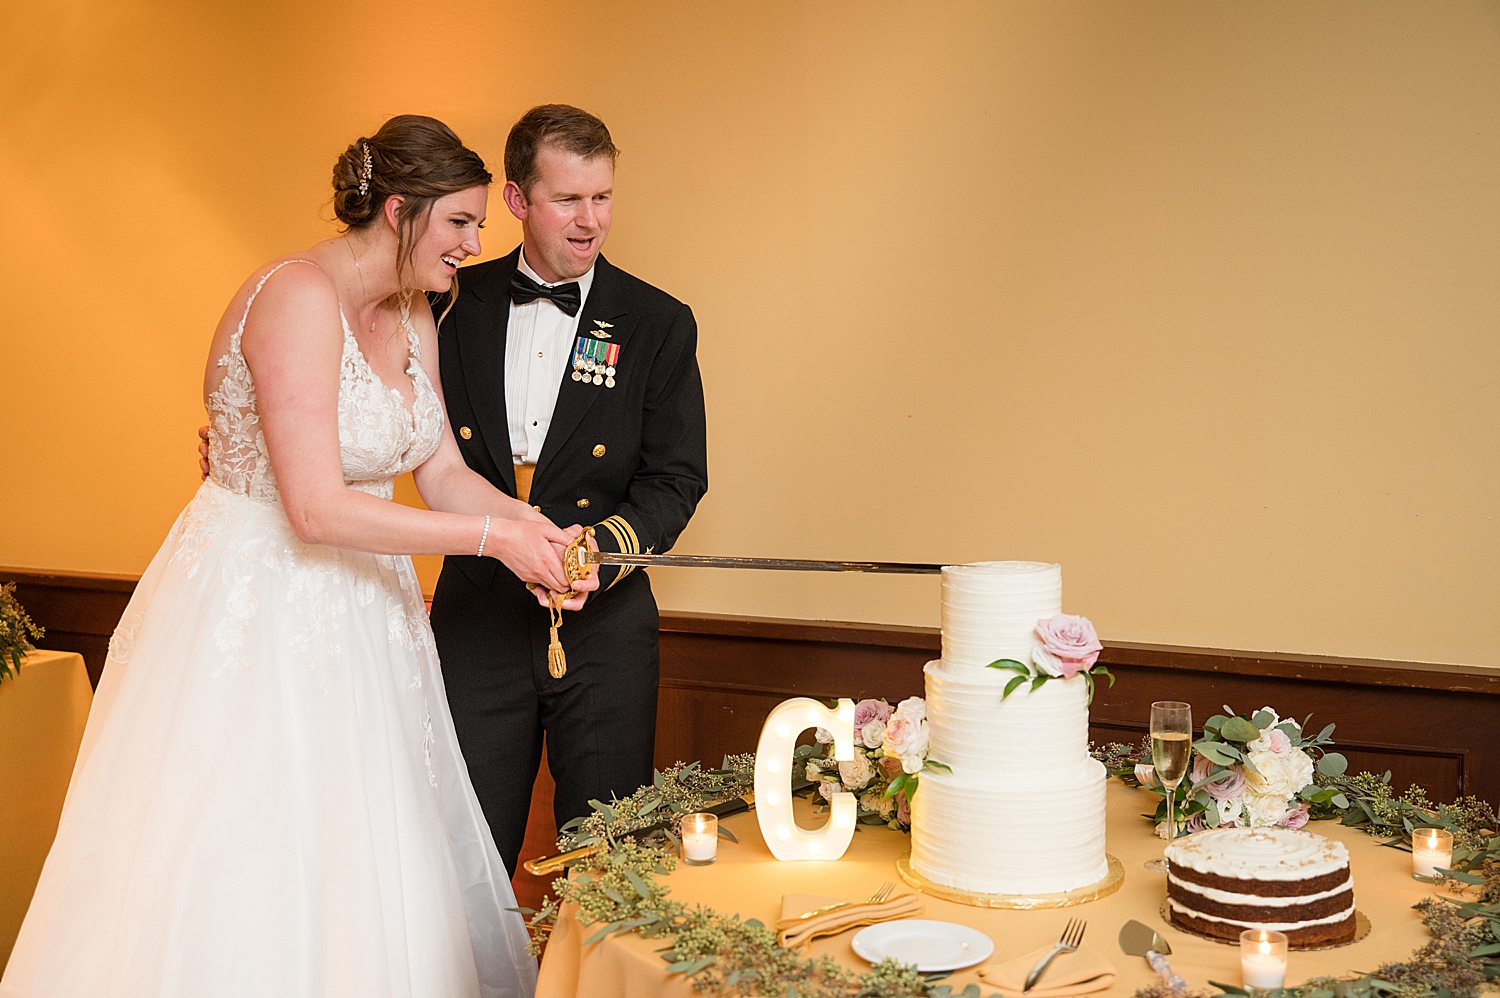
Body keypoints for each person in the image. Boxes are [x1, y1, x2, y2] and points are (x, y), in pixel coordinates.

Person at [1, 115, 584, 998]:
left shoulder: (417, 311)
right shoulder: (295, 296)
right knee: (252, 839)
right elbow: (312, 505)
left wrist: (529, 530)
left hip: (368, 612)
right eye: (460, 223)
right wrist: (489, 540)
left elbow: (444, 471)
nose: (475, 243)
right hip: (258, 600)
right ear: (399, 212)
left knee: (364, 852)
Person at [428, 105, 708, 875]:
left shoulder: (657, 322)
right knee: (465, 860)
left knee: (612, 861)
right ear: (517, 201)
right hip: (476, 618)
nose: (592, 223)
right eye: (568, 201)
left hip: (603, 630)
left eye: (604, 198)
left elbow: (676, 478)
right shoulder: (446, 303)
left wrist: (599, 553)